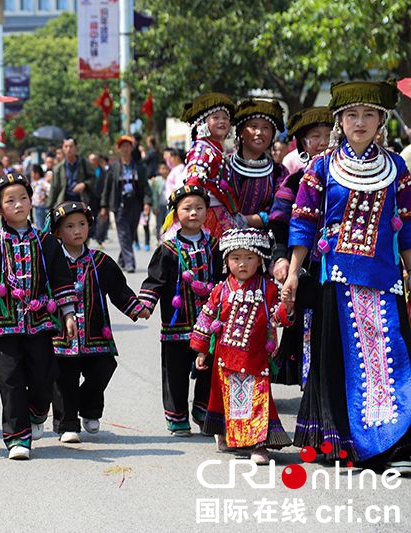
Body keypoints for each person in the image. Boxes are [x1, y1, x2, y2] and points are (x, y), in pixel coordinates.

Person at [284, 80, 411, 471]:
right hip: (335, 279)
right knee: (340, 363)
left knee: (394, 360)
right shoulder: (322, 167)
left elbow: (405, 225)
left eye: (368, 115)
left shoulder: (397, 168)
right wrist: (291, 275)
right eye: (352, 115)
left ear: (380, 122)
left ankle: (396, 448)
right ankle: (343, 445)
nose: (360, 122)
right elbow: (303, 224)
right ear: (340, 120)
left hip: (385, 278)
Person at [0, 173, 77, 460]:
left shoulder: (47, 242)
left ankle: (38, 411)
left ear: (32, 202)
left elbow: (61, 279)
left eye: (23, 198)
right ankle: (18, 439)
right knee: (10, 379)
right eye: (10, 200)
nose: (18, 205)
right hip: (5, 324)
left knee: (44, 375)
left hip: (40, 321)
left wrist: (68, 313)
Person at [191, 228, 294, 464]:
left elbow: (277, 317)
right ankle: (226, 434)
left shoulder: (267, 289)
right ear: (227, 261)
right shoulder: (220, 290)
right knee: (227, 400)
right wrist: (201, 350)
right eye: (236, 258)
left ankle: (258, 445)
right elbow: (206, 318)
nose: (243, 264)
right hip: (225, 358)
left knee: (257, 400)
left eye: (249, 257)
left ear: (260, 260)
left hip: (256, 357)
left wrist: (286, 306)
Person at [49, 201, 145, 443]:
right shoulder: (51, 262)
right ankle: (67, 424)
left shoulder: (100, 261)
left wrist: (136, 308)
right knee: (65, 378)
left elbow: (118, 290)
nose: (77, 230)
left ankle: (89, 409)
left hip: (95, 332)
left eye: (82, 224)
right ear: (57, 232)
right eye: (70, 226)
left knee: (104, 367)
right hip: (62, 334)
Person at [140, 185, 222, 436]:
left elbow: (221, 278)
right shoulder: (168, 249)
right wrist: (146, 304)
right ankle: (177, 417)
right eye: (187, 208)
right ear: (176, 214)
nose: (194, 213)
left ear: (207, 212)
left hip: (208, 324)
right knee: (175, 373)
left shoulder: (215, 245)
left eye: (199, 208)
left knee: (208, 367)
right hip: (177, 324)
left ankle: (202, 409)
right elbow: (155, 280)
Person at [267, 107, 333, 388]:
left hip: (340, 265)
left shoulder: (348, 180)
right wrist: (281, 258)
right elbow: (278, 224)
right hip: (305, 267)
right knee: (309, 323)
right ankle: (311, 385)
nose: (323, 142)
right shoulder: (294, 182)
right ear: (303, 144)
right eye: (315, 136)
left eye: (329, 135)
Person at [181, 93, 237, 239]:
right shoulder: (202, 150)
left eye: (225, 118)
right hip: (209, 214)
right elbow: (193, 182)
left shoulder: (216, 149)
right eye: (216, 117)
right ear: (203, 123)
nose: (222, 121)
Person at [228, 99, 288, 229]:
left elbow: (279, 211)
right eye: (253, 126)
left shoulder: (279, 172)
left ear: (272, 135)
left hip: (264, 243)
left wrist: (243, 220)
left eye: (265, 128)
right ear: (241, 132)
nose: (259, 132)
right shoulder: (224, 166)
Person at [100, 135, 153, 273]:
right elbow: (107, 188)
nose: (125, 148)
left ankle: (121, 260)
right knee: (123, 233)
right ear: (119, 148)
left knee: (130, 232)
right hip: (119, 205)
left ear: (131, 148)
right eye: (122, 146)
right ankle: (130, 263)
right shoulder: (114, 168)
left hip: (135, 204)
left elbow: (146, 187)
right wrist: (104, 206)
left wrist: (147, 202)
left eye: (128, 146)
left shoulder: (140, 168)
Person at [48, 138, 95, 209]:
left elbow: (93, 178)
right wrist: (49, 206)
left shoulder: (84, 163)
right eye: (66, 146)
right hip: (64, 201)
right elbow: (54, 187)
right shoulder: (58, 168)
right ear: (63, 149)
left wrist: (84, 184)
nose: (68, 149)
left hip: (81, 200)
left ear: (76, 148)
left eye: (71, 146)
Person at [88, 153, 108, 246]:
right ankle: (90, 235)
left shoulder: (103, 171)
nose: (92, 162)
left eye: (94, 159)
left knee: (101, 219)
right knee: (90, 217)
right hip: (89, 198)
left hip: (101, 198)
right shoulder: (87, 171)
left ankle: (100, 238)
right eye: (91, 160)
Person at [151, 162, 168, 242]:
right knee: (159, 223)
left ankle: (165, 239)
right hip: (160, 205)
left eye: (165, 168)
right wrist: (155, 206)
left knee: (167, 223)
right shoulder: (157, 180)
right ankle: (158, 239)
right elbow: (154, 194)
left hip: (168, 205)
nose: (164, 171)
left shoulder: (170, 179)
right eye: (162, 169)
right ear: (159, 170)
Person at [30, 164, 50, 229]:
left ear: (37, 173)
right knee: (38, 225)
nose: (31, 175)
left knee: (41, 226)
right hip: (36, 207)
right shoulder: (35, 182)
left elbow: (49, 190)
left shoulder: (42, 182)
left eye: (32, 173)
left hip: (42, 208)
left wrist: (45, 196)